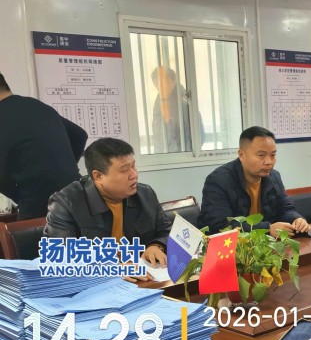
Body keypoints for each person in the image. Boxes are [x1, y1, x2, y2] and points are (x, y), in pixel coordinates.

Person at [44, 138, 171, 269]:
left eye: (133, 166)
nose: (134, 175)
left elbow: (166, 231)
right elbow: (61, 255)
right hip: (99, 278)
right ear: (98, 176)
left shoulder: (145, 194)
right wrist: (115, 268)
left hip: (146, 274)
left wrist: (157, 245)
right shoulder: (65, 202)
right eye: (124, 170)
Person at [0, 72, 88, 219]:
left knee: (33, 234)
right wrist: (64, 168)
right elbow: (79, 135)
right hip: (77, 191)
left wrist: (18, 195)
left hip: (39, 202)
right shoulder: (38, 106)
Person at [197, 126, 308, 236]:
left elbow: (285, 208)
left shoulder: (274, 176)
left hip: (265, 243)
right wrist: (267, 229)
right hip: (229, 245)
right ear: (242, 155)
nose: (269, 162)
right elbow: (220, 226)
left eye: (273, 155)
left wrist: (296, 219)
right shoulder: (219, 180)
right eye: (261, 155)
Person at [149, 66, 194, 154]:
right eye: (156, 83)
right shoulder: (161, 98)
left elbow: (185, 132)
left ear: (172, 81)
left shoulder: (181, 99)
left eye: (160, 82)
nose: (158, 86)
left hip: (178, 153)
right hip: (167, 152)